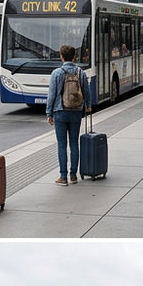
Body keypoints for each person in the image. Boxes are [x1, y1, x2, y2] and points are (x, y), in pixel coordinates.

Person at [45, 44, 91, 185]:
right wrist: (88, 106)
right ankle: (73, 175)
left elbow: (51, 95)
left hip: (60, 111)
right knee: (74, 144)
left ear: (61, 56)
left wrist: (49, 112)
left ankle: (63, 176)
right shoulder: (80, 72)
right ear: (74, 56)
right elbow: (86, 91)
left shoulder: (57, 73)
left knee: (61, 144)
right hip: (76, 111)